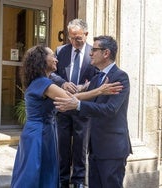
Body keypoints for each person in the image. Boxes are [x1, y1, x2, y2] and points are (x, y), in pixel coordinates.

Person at [10, 44, 122, 188]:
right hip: (39, 134)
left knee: (37, 171)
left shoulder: (39, 82)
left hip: (40, 131)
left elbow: (71, 97)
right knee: (33, 174)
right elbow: (72, 98)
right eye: (52, 56)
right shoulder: (44, 83)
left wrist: (88, 88)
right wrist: (99, 91)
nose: (56, 59)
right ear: (42, 60)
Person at [54, 35, 132, 188]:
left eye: (94, 50)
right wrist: (69, 106)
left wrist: (77, 105)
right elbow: (85, 105)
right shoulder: (97, 78)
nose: (90, 53)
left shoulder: (120, 77)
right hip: (95, 148)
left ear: (106, 53)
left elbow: (110, 110)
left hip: (112, 149)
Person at [54, 18, 98, 188]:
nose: (74, 42)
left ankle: (79, 182)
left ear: (86, 34)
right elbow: (51, 74)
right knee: (62, 148)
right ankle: (62, 180)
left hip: (82, 108)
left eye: (78, 38)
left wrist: (85, 86)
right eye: (71, 38)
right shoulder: (60, 51)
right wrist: (62, 83)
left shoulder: (93, 52)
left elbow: (98, 78)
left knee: (80, 149)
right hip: (63, 108)